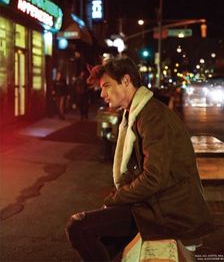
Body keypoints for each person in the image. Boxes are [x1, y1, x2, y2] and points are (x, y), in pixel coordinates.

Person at [66, 56, 214, 261]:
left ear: (126, 81)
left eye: (107, 86)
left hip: (168, 211)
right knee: (104, 240)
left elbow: (154, 177)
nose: (102, 94)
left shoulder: (152, 116)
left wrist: (114, 199)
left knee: (79, 226)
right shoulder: (137, 113)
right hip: (153, 205)